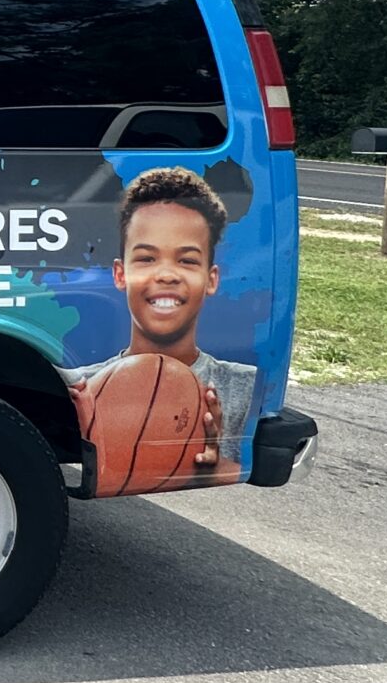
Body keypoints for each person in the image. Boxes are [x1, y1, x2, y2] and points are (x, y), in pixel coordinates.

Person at [66, 167, 258, 480]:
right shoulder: (84, 388)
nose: (167, 274)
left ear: (211, 279)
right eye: (146, 258)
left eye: (186, 260)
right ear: (120, 274)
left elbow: (258, 471)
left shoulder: (244, 387)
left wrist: (214, 468)